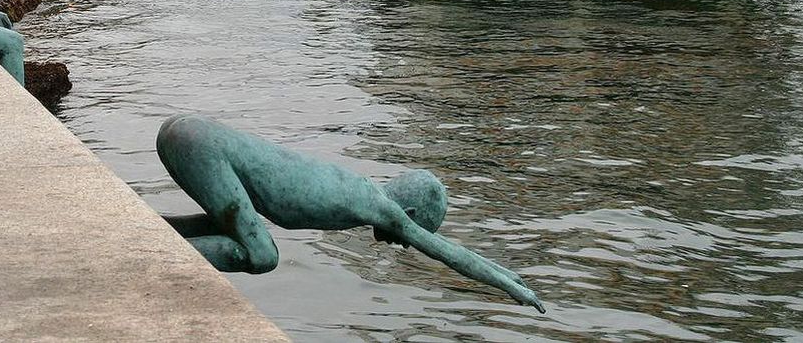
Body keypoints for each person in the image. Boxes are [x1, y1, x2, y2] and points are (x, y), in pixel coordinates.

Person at [156, 115, 545, 313]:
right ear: (408, 212)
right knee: (262, 256)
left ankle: (149, 232)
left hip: (190, 134)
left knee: (240, 232)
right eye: (411, 228)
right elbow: (446, 252)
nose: (403, 242)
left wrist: (513, 275)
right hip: (199, 145)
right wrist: (510, 285)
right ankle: (154, 261)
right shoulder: (379, 206)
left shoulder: (359, 185)